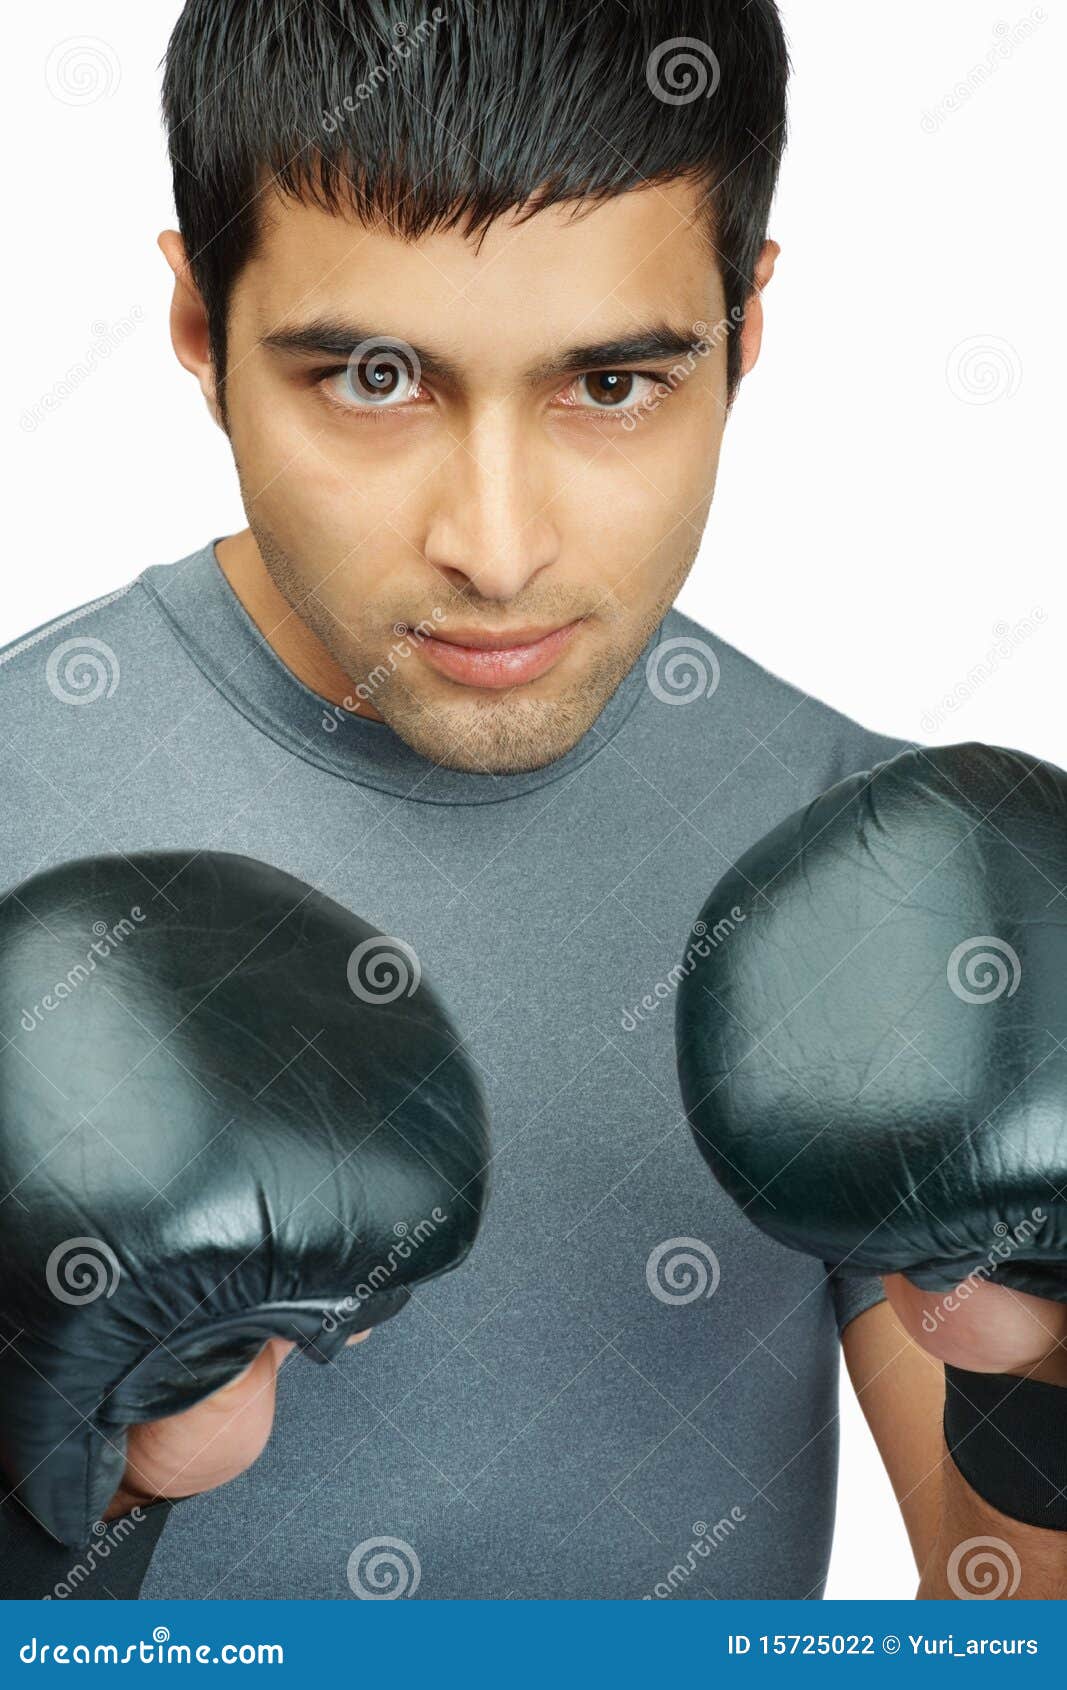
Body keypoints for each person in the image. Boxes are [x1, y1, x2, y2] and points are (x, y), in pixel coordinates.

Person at [1, 0, 1060, 1599]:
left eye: (615, 383)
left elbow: (1008, 1613)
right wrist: (62, 1522)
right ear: (200, 332)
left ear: (744, 330)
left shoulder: (895, 879)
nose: (496, 549)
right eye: (374, 377)